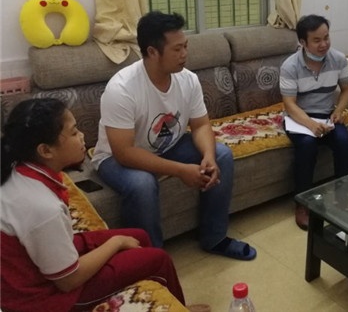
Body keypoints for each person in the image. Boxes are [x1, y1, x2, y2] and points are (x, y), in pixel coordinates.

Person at [0, 98, 210, 311]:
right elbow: (68, 280)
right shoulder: (42, 208)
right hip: (43, 297)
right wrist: (116, 243)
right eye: (74, 132)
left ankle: (168, 304)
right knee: (158, 260)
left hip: (42, 263)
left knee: (140, 236)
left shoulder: (21, 167)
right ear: (45, 151)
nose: (82, 136)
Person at [91, 11, 256, 260]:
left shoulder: (188, 79)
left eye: (185, 46)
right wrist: (181, 170)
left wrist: (208, 156)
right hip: (114, 158)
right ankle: (151, 259)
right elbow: (124, 152)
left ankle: (215, 238)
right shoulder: (121, 89)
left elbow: (200, 125)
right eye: (177, 49)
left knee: (221, 155)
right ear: (152, 52)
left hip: (167, 145)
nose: (184, 54)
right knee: (142, 183)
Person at [279, 14, 348, 230]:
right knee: (307, 145)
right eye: (317, 40)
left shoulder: (338, 59)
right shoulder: (290, 66)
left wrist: (338, 111)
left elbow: (347, 89)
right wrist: (311, 125)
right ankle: (302, 204)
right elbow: (289, 104)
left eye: (326, 37)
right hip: (299, 117)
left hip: (327, 115)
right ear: (303, 42)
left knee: (344, 142)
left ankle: (343, 197)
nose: (324, 44)